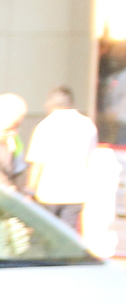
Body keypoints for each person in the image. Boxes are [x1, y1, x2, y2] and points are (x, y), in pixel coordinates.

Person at [26, 85, 99, 231]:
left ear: (50, 104)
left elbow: (38, 163)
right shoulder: (87, 124)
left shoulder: (46, 125)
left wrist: (30, 191)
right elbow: (91, 159)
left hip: (48, 192)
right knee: (68, 233)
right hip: (76, 192)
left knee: (47, 233)